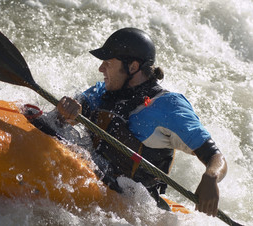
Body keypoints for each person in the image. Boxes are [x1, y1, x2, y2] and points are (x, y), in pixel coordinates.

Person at [55, 28, 227, 216]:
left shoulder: (167, 107)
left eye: (108, 63)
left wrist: (211, 177)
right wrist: (67, 110)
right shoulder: (101, 92)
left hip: (132, 209)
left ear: (133, 67)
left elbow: (215, 157)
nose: (101, 69)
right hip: (89, 186)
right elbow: (60, 120)